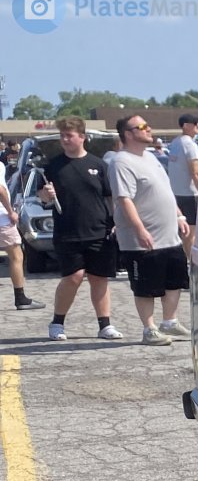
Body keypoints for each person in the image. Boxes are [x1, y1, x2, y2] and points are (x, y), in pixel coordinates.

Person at [37, 116, 122, 341]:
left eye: (69, 135)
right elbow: (42, 197)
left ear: (82, 137)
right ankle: (57, 323)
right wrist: (46, 195)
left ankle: (105, 325)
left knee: (99, 278)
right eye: (62, 135)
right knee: (73, 277)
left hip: (99, 229)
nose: (65, 139)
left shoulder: (98, 165)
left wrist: (115, 223)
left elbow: (110, 197)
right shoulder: (53, 167)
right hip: (67, 231)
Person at [111, 114, 192, 345]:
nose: (149, 129)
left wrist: (179, 215)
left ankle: (171, 323)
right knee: (146, 286)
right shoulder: (121, 162)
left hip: (169, 236)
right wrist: (139, 229)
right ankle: (150, 329)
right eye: (142, 126)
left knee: (174, 280)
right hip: (142, 239)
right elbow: (124, 199)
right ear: (128, 134)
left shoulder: (150, 157)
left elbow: (164, 190)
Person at [0, 180, 43, 310]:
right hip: (2, 219)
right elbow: (1, 190)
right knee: (16, 256)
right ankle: (20, 298)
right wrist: (10, 211)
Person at [167, 113, 198, 260]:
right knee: (191, 233)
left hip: (175, 194)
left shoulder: (175, 143)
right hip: (190, 194)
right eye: (195, 123)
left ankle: (183, 260)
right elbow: (195, 172)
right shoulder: (190, 144)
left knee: (181, 232)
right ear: (186, 126)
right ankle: (191, 263)